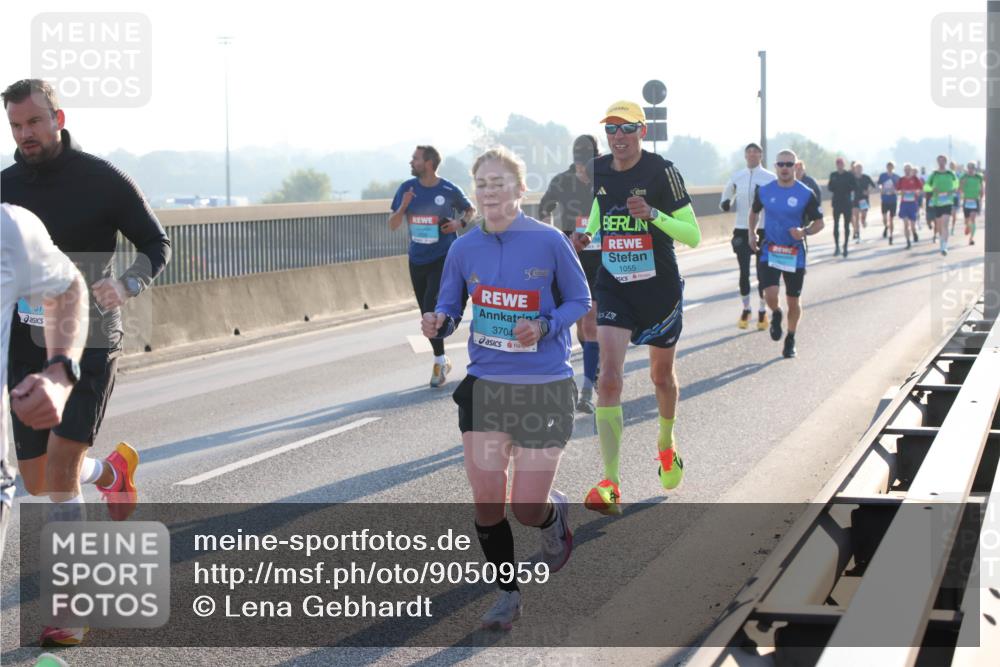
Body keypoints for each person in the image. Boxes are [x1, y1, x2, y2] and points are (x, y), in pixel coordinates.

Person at [424, 147, 590, 631]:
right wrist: (440, 320)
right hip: (486, 386)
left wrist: (544, 324)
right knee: (488, 501)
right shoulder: (463, 247)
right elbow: (451, 308)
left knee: (525, 507)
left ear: (520, 190)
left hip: (543, 387)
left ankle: (553, 516)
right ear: (474, 193)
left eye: (499, 182)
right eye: (482, 183)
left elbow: (581, 299)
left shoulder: (549, 241)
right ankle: (507, 594)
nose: (490, 189)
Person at [573, 100, 701, 515]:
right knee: (608, 378)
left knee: (660, 378)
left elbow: (694, 235)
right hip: (614, 286)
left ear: (642, 131)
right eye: (611, 129)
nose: (618, 137)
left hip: (658, 289)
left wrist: (653, 214)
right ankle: (610, 481)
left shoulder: (663, 171)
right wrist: (587, 234)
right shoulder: (600, 169)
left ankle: (666, 443)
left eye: (626, 129)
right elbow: (599, 208)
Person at [1, 204, 87, 568]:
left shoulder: (10, 229)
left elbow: (68, 287)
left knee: (53, 469)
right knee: (39, 477)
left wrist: (59, 371)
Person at [390, 145, 476, 388]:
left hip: (444, 257)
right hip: (417, 258)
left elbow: (470, 209)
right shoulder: (407, 188)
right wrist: (404, 206)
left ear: (428, 163)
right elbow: (393, 224)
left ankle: (438, 360)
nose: (411, 161)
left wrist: (459, 222)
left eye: (415, 158)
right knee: (424, 311)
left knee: (431, 304)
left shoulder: (448, 189)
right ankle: (442, 358)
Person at [539, 135, 602, 412]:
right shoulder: (562, 181)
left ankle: (586, 390)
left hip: (603, 257)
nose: (582, 171)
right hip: (570, 257)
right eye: (578, 164)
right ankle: (593, 367)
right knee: (580, 325)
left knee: (590, 322)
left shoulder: (608, 179)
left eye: (586, 164)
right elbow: (544, 208)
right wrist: (553, 239)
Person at [749, 150, 825, 358]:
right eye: (780, 164)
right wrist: (752, 233)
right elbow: (754, 212)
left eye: (788, 165)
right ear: (775, 167)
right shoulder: (765, 191)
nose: (784, 168)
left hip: (794, 253)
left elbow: (819, 223)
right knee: (769, 293)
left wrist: (804, 231)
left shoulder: (805, 193)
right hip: (770, 249)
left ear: (795, 167)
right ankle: (776, 313)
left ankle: (790, 338)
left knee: (794, 300)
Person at [720, 143, 775, 330]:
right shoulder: (737, 177)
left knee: (762, 272)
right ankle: (746, 308)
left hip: (763, 229)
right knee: (744, 271)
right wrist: (726, 203)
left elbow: (776, 201)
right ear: (745, 156)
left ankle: (762, 310)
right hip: (742, 229)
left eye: (755, 152)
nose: (752, 155)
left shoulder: (770, 178)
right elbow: (726, 196)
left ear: (761, 155)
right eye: (749, 152)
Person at [924, 154, 960, 255]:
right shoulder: (934, 174)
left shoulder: (950, 173)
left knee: (945, 223)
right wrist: (932, 189)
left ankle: (945, 246)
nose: (941, 162)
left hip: (947, 201)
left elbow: (956, 185)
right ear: (937, 162)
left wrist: (952, 190)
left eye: (943, 160)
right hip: (937, 202)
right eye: (939, 161)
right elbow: (926, 187)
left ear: (946, 162)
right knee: (939, 225)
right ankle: (942, 242)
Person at [827, 158, 855, 257]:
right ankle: (837, 247)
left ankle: (845, 246)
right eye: (838, 164)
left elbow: (854, 186)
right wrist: (835, 186)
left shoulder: (849, 175)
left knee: (846, 225)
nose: (840, 165)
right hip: (837, 202)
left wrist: (847, 187)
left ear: (844, 165)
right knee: (836, 225)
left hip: (846, 203)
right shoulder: (833, 175)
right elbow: (829, 187)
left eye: (841, 164)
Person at [896, 164, 923, 249]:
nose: (907, 171)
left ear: (911, 170)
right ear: (904, 170)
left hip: (912, 204)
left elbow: (921, 189)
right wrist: (901, 192)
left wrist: (916, 192)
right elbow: (897, 190)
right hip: (904, 204)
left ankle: (914, 233)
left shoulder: (915, 179)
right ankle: (908, 242)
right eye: (905, 169)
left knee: (912, 225)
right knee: (905, 224)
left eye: (908, 169)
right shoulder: (901, 179)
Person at [959, 161, 984, 245]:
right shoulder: (963, 176)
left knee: (973, 219)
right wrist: (962, 184)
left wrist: (981, 198)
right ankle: (967, 226)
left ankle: (971, 239)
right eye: (969, 167)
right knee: (967, 221)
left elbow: (981, 188)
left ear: (974, 168)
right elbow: (960, 190)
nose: (970, 169)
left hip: (975, 200)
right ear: (967, 168)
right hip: (966, 200)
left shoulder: (979, 177)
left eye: (972, 167)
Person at [851, 163, 876, 242]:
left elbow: (873, 186)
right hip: (855, 199)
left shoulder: (866, 177)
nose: (858, 169)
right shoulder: (851, 178)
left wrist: (868, 191)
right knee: (856, 217)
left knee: (863, 216)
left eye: (860, 168)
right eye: (857, 168)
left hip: (864, 200)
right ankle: (857, 233)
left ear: (862, 169)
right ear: (854, 169)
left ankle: (863, 221)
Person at [877, 162, 900, 244]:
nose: (890, 167)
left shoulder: (896, 177)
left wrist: (895, 190)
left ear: (893, 167)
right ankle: (886, 227)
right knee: (884, 218)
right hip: (884, 199)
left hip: (893, 200)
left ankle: (891, 235)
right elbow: (879, 184)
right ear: (886, 167)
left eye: (891, 166)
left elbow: (899, 188)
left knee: (891, 219)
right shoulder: (883, 176)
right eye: (888, 166)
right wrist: (881, 189)